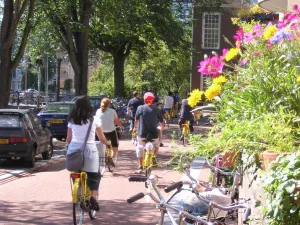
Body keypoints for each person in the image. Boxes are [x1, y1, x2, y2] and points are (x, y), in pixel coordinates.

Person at [66, 96, 110, 211]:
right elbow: (102, 138)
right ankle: (93, 197)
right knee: (95, 176)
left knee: (76, 173)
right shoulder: (94, 120)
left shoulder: (72, 120)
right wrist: (109, 143)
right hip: (90, 151)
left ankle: (78, 193)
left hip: (74, 151)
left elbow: (68, 139)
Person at [133, 92, 164, 173]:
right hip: (153, 135)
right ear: (153, 100)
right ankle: (154, 156)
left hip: (142, 134)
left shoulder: (140, 108)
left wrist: (135, 128)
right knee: (157, 144)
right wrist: (162, 128)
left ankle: (140, 166)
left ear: (144, 99)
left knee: (140, 147)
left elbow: (136, 121)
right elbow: (162, 122)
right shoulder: (157, 109)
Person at [96, 98, 124, 163]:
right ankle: (112, 158)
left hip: (101, 132)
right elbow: (116, 121)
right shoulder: (112, 111)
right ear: (109, 104)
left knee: (100, 145)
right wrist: (121, 126)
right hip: (111, 131)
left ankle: (101, 157)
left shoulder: (98, 111)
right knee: (115, 146)